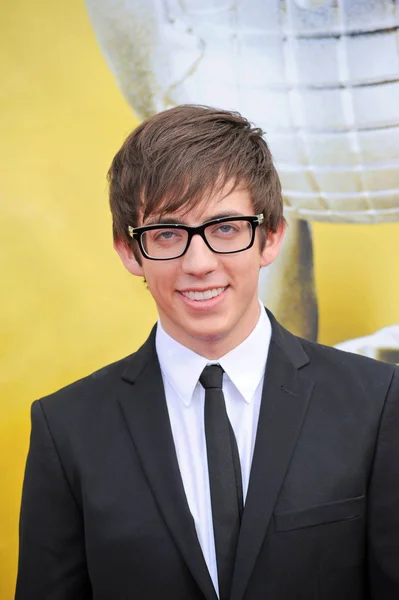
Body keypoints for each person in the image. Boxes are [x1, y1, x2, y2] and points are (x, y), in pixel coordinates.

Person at [15, 105, 399, 600]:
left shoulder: (376, 400)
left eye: (225, 228)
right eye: (168, 233)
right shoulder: (66, 428)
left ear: (270, 236)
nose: (199, 263)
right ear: (130, 252)